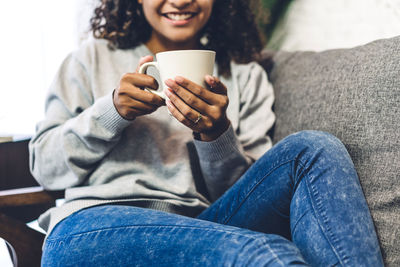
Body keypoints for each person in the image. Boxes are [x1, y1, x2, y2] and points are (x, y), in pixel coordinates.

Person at [29, 0, 383, 266]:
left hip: (205, 226)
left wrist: (216, 134)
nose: (181, 0)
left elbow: (247, 196)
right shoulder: (89, 60)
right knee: (266, 254)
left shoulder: (245, 75)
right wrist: (112, 111)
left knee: (314, 148)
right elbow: (46, 168)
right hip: (95, 226)